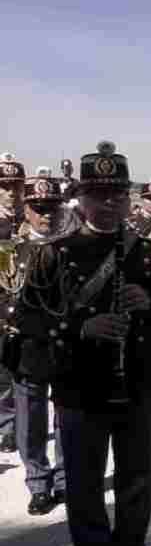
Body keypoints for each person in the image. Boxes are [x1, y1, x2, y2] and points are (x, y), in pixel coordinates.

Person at [15, 141, 151, 546]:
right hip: (80, 384)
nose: (110, 204)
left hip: (137, 380)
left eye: (118, 195)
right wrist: (79, 325)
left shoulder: (149, 251)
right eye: (99, 195)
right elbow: (28, 317)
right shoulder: (54, 253)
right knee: (84, 481)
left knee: (137, 478)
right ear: (81, 198)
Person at [7, 166, 71, 516]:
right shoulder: (11, 249)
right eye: (39, 207)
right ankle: (38, 481)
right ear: (27, 210)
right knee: (31, 418)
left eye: (52, 207)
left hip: (65, 344)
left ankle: (64, 479)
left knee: (67, 415)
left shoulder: (74, 249)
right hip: (28, 346)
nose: (46, 214)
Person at [0, 153, 24, 454]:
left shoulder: (36, 216)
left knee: (29, 371)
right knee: (4, 371)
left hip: (32, 304)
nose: (10, 192)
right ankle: (7, 426)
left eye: (15, 186)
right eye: (4, 186)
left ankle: (23, 425)